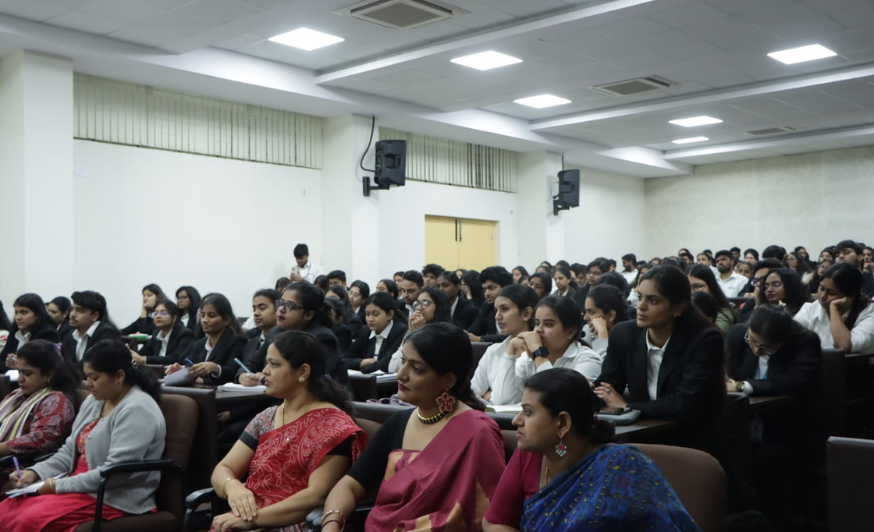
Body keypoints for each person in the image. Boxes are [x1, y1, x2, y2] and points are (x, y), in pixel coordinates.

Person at [321, 323, 506, 532]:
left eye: (417, 369)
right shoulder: (399, 421)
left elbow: (490, 513)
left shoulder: (477, 432)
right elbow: (350, 485)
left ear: (448, 380)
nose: (401, 374)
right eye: (403, 361)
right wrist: (332, 522)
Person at [483, 369, 701, 532]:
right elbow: (494, 523)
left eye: (528, 412)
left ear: (563, 423)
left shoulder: (623, 468)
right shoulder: (529, 453)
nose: (516, 420)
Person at [1, 340, 166, 532]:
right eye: (87, 377)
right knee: (5, 510)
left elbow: (115, 474)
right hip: (80, 486)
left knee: (28, 520)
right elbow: (68, 452)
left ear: (119, 376)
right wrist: (36, 473)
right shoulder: (95, 401)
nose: (88, 384)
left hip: (112, 496)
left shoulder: (137, 409)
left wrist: (55, 485)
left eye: (94, 377)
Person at [209, 331, 366, 532]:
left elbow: (317, 496)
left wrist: (254, 519)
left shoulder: (334, 426)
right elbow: (223, 469)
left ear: (303, 372)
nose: (264, 371)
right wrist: (233, 487)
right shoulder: (267, 417)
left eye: (274, 364)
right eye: (266, 363)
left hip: (294, 524)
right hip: (245, 520)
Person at [595, 266, 726, 463]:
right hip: (642, 439)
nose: (641, 306)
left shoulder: (704, 339)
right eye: (640, 297)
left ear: (678, 307)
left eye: (653, 300)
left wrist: (628, 406)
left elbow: (685, 403)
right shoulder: (624, 334)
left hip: (692, 444)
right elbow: (607, 388)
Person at [725, 305, 822, 530]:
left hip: (786, 426)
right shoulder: (738, 334)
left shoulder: (805, 341)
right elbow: (725, 373)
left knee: (768, 466)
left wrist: (742, 386)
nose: (756, 350)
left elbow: (794, 382)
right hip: (742, 424)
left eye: (766, 347)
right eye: (752, 341)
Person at [0, 341, 76, 460]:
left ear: (49, 375)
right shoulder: (16, 394)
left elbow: (40, 438)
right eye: (19, 372)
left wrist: (3, 448)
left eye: (27, 374)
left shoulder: (56, 401)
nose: (20, 379)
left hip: (18, 465)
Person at [512, 296, 602, 387]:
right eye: (537, 323)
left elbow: (556, 393)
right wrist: (511, 348)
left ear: (570, 332)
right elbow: (505, 395)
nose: (538, 329)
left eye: (548, 324)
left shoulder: (588, 359)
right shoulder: (528, 358)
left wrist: (538, 352)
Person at [471, 285, 538, 405]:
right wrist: (489, 402)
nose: (497, 317)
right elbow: (472, 393)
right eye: (496, 310)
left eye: (505, 309)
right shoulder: (493, 351)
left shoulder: (542, 352)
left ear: (526, 313)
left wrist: (491, 397)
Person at [165, 293, 246, 386]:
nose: (204, 320)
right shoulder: (199, 344)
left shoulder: (237, 341)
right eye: (203, 315)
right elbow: (191, 367)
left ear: (226, 320)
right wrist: (182, 371)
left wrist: (216, 368)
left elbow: (233, 373)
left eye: (211, 315)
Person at [794, 263, 874, 354]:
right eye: (821, 288)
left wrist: (834, 308)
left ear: (851, 295)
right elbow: (790, 340)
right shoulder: (810, 309)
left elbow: (844, 346)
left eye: (831, 293)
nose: (823, 296)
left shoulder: (869, 313)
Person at [388, 287, 452, 373]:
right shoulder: (414, 329)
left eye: (425, 303)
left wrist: (418, 334)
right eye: (417, 303)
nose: (418, 308)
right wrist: (411, 333)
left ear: (439, 306)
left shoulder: (447, 334)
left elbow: (425, 368)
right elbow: (393, 368)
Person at [344, 292, 408, 374]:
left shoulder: (401, 332)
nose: (370, 319)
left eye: (375, 314)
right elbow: (345, 359)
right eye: (367, 314)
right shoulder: (365, 331)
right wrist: (362, 362)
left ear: (390, 314)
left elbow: (385, 365)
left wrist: (362, 370)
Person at [61, 291, 122, 365]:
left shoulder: (106, 334)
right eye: (72, 309)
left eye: (79, 310)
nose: (72, 314)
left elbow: (92, 365)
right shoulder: (71, 335)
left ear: (95, 316)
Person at [2, 294, 61, 367]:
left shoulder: (48, 334)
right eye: (16, 312)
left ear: (37, 314)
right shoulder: (15, 332)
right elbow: (2, 360)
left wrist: (18, 365)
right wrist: (8, 363)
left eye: (24, 312)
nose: (18, 317)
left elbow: (43, 366)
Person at [236, 289, 281, 385]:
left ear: (278, 309)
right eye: (254, 309)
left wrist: (263, 378)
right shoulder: (250, 343)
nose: (256, 313)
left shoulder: (285, 339)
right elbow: (246, 367)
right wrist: (241, 376)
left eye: (262, 308)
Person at [131, 300, 194, 366]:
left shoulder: (184, 334)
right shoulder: (156, 333)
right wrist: (130, 353)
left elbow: (175, 358)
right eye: (155, 313)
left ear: (174, 318)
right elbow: (144, 352)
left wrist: (144, 359)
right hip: (157, 370)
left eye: (163, 313)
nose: (158, 316)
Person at [687, 264, 738, 334]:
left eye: (697, 286)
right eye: (687, 287)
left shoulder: (724, 313)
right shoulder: (681, 310)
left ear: (710, 286)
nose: (691, 291)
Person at [468, 266, 514, 342]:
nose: (487, 294)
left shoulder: (517, 305)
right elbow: (475, 329)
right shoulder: (487, 306)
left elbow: (513, 335)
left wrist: (480, 339)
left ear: (506, 287)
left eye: (491, 288)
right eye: (484, 289)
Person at [583, 284, 630, 358]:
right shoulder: (587, 330)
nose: (585, 318)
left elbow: (602, 364)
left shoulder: (628, 339)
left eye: (591, 312)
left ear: (611, 315)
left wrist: (602, 333)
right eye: (586, 312)